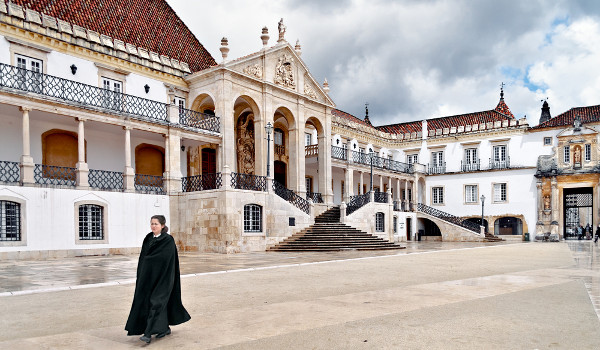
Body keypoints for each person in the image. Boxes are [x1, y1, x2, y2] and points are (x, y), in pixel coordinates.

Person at [125, 215, 190, 343]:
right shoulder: (148, 238)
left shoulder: (168, 240)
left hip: (164, 277)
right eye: (152, 223)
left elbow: (166, 259)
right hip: (148, 278)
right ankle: (163, 328)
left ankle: (148, 334)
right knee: (149, 302)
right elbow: (143, 258)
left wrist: (150, 261)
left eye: (156, 224)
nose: (153, 226)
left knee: (157, 302)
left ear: (162, 226)